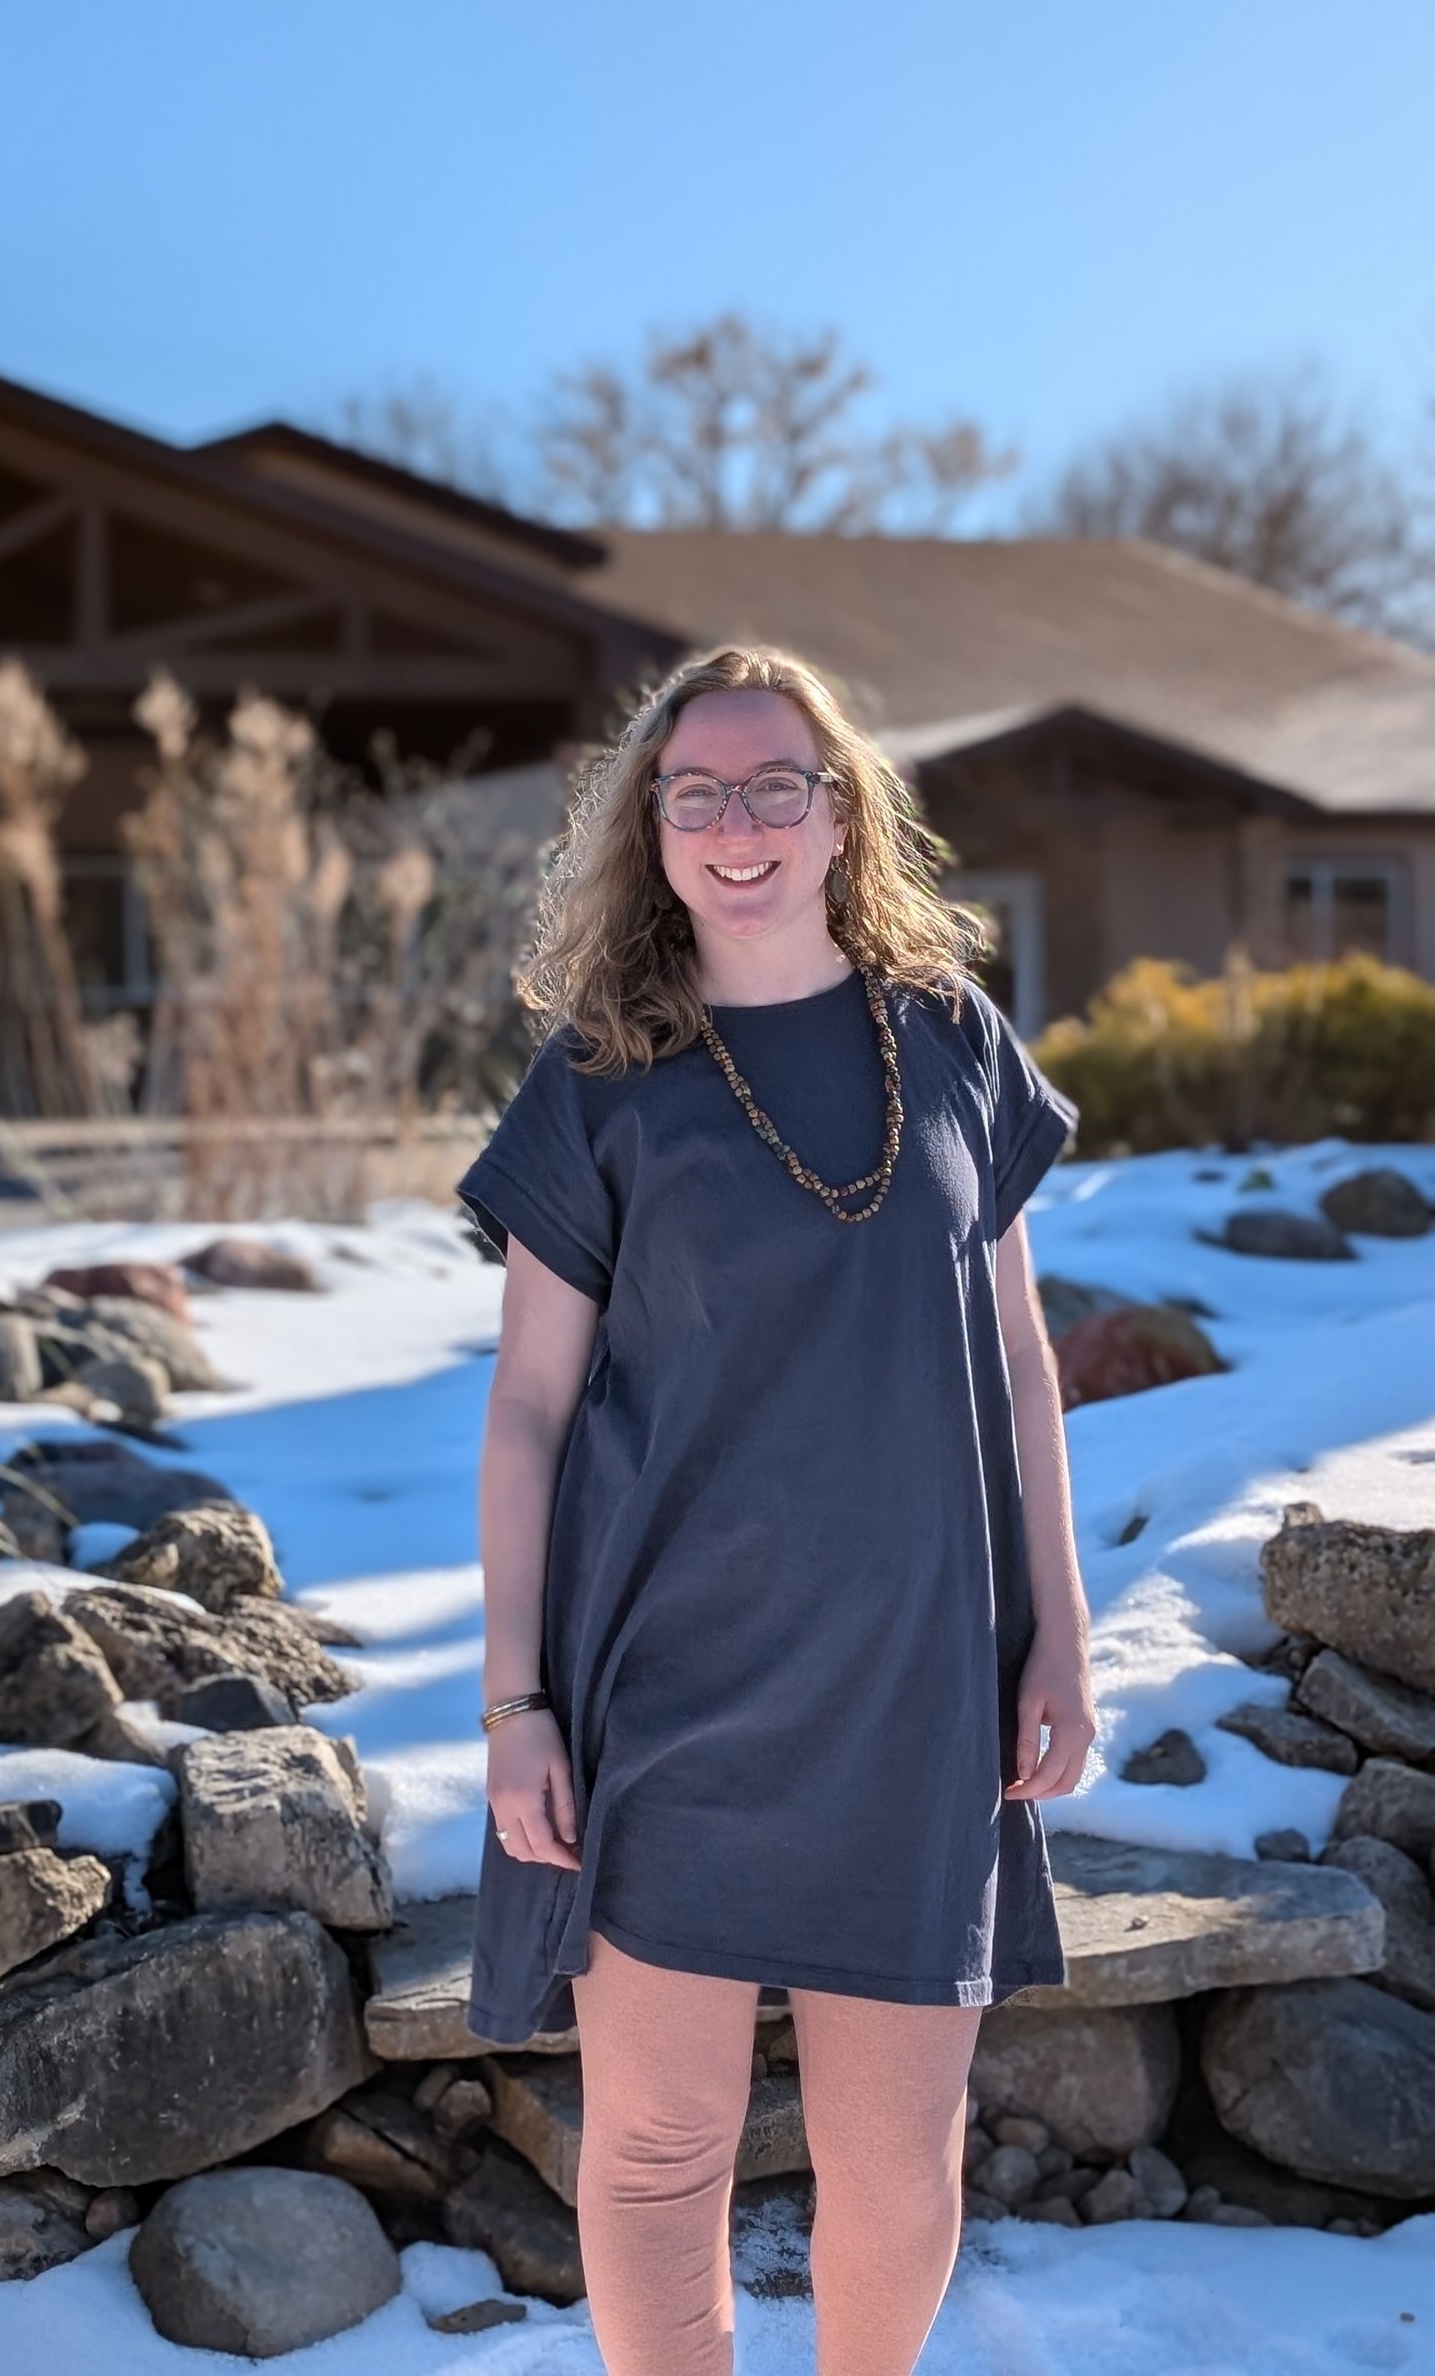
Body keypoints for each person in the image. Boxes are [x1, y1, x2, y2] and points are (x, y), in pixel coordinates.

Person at [454, 645, 1097, 2376]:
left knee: (897, 2156)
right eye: (697, 792)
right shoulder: (599, 1074)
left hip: (916, 1685)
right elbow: (524, 1410)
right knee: (660, 2152)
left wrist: (1063, 1633)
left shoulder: (953, 1036)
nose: (738, 825)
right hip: (666, 1690)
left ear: (840, 814)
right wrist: (515, 1702)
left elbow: (1024, 1364)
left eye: (775, 786)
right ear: (650, 829)